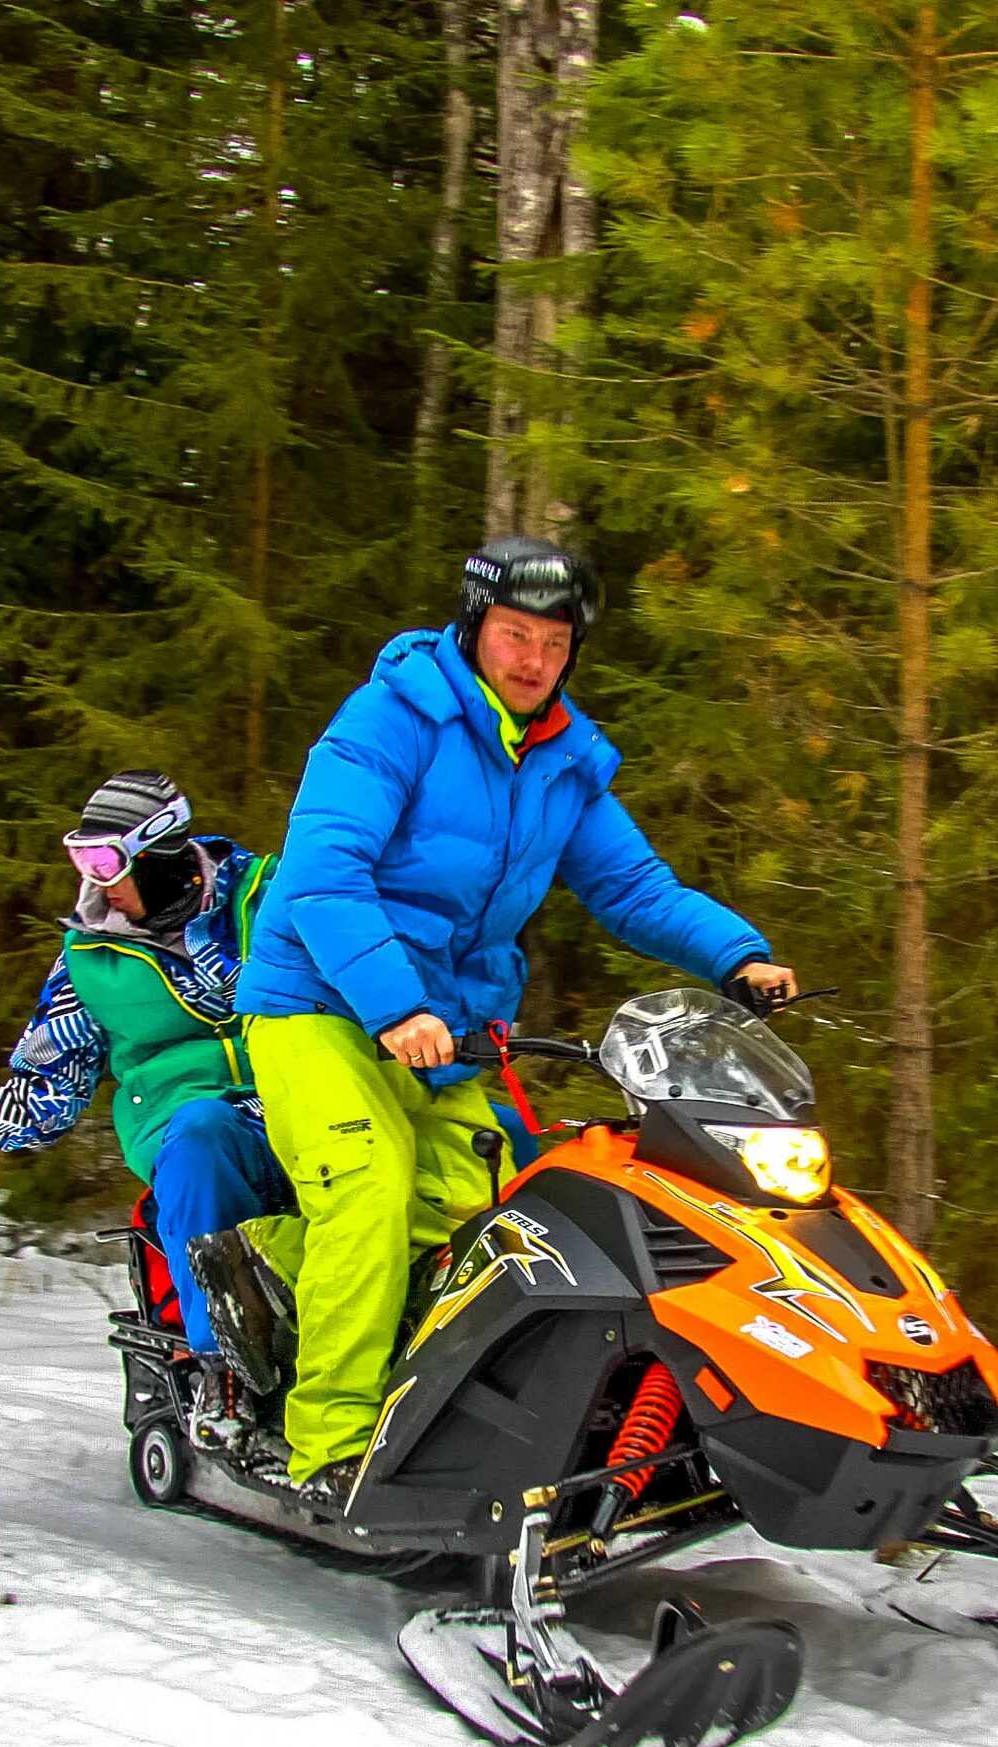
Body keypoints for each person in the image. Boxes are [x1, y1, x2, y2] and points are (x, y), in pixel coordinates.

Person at [232, 538, 797, 1505]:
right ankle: (327, 1446)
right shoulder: (390, 719)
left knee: (480, 1227)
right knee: (367, 1191)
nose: (533, 659)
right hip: (320, 1003)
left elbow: (629, 884)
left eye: (554, 641)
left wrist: (735, 955)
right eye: (513, 634)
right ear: (474, 627)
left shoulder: (563, 763)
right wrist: (395, 1003)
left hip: (446, 1031)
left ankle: (338, 1339)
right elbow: (324, 873)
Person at [0, 771, 288, 1361]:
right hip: (196, 1134)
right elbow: (46, 1091)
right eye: (81, 859)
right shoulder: (90, 959)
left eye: (104, 859)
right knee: (202, 1132)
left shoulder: (268, 898)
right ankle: (222, 1371)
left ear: (160, 851)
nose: (94, 881)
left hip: (309, 1104)